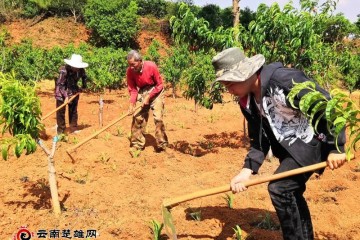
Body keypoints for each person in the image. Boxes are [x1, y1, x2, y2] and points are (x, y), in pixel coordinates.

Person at [211, 47, 346, 240]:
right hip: (289, 150)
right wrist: (246, 171)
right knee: (292, 191)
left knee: (279, 188)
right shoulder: (247, 102)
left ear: (245, 73)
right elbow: (259, 140)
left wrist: (336, 147)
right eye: (225, 85)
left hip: (310, 142)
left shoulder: (283, 80)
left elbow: (326, 104)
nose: (228, 89)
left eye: (229, 83)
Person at [126, 50, 168, 157]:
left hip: (156, 91)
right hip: (142, 91)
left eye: (133, 64)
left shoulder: (151, 66)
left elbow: (159, 85)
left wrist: (149, 97)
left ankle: (162, 144)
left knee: (158, 118)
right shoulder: (130, 71)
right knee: (137, 117)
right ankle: (136, 144)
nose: (131, 67)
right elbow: (133, 90)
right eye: (129, 65)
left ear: (140, 61)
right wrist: (132, 104)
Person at [55, 54, 88, 135]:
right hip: (61, 90)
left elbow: (84, 77)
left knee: (73, 109)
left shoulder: (81, 70)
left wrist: (83, 87)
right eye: (74, 67)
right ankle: (61, 130)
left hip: (73, 90)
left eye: (77, 67)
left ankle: (73, 127)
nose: (76, 68)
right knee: (60, 110)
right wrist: (66, 96)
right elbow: (60, 85)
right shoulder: (64, 70)